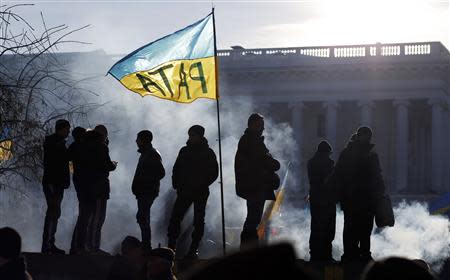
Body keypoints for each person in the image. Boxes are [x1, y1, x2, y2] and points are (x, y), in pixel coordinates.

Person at [334, 126, 386, 262]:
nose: (367, 138)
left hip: (361, 199)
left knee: (361, 228)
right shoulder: (355, 153)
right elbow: (339, 174)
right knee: (356, 228)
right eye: (366, 136)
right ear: (360, 136)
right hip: (355, 198)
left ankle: (359, 254)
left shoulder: (364, 153)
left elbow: (377, 176)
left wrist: (380, 192)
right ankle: (355, 254)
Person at [167, 125, 218, 259]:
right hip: (184, 191)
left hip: (200, 192)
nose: (190, 137)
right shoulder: (184, 151)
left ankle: (193, 250)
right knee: (175, 219)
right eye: (190, 135)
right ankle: (171, 248)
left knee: (198, 221)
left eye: (193, 135)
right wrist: (176, 184)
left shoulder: (208, 153)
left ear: (200, 136)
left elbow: (214, 173)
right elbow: (176, 168)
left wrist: (202, 183)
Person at [235, 113, 280, 248]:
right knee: (253, 220)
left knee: (253, 219)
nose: (263, 128)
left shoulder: (252, 140)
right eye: (260, 125)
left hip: (255, 185)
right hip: (254, 186)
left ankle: (249, 248)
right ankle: (249, 249)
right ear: (253, 124)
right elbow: (261, 161)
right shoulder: (251, 140)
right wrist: (273, 164)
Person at [83, 125, 117, 255]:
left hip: (88, 187)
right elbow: (106, 165)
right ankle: (93, 246)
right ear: (103, 135)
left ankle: (86, 245)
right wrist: (113, 164)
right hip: (100, 188)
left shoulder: (86, 145)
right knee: (98, 218)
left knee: (89, 217)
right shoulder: (100, 147)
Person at [132, 130, 165, 252]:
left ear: (143, 140)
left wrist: (146, 183)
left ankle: (146, 246)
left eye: (138, 139)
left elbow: (161, 173)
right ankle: (146, 245)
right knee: (143, 217)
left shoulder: (152, 154)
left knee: (142, 217)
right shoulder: (146, 153)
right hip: (144, 192)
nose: (136, 141)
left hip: (147, 192)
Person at [41, 119, 71, 254]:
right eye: (67, 129)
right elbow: (53, 164)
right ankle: (47, 245)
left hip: (56, 183)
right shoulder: (53, 143)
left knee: (55, 213)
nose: (68, 132)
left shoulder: (57, 143)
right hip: (53, 183)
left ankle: (49, 244)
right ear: (61, 129)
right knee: (53, 212)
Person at [307, 140, 336, 262]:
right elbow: (331, 181)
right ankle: (326, 255)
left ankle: (315, 254)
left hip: (316, 199)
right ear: (326, 153)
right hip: (326, 199)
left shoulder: (311, 163)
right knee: (328, 229)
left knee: (316, 228)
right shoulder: (327, 164)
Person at [68, 126, 88, 255]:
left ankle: (77, 245)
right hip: (84, 183)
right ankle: (78, 246)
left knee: (84, 214)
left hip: (79, 182)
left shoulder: (73, 147)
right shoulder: (81, 148)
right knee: (84, 215)